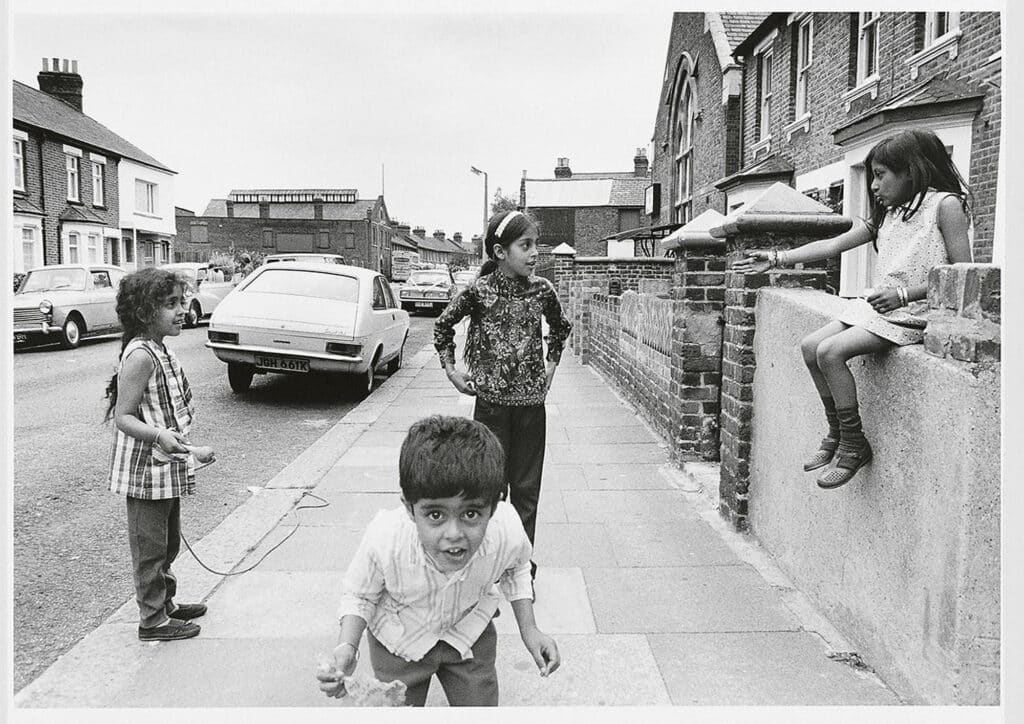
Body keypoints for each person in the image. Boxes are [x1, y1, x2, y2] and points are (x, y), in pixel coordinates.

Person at [732, 129, 972, 489]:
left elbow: (963, 274)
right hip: (880, 309)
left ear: (911, 170)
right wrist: (777, 258)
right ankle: (837, 433)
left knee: (831, 352)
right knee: (810, 346)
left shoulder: (945, 206)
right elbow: (834, 244)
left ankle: (854, 444)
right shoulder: (890, 214)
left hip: (916, 313)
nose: (873, 186)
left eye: (880, 175)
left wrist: (905, 295)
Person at [316, 415, 560, 706]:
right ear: (409, 508)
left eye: (471, 514)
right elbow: (360, 596)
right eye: (435, 515)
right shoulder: (386, 540)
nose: (454, 534)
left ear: (493, 507)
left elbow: (517, 568)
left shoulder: (506, 530)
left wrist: (529, 629)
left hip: (468, 630)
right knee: (397, 707)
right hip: (399, 639)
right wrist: (347, 646)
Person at [433, 209, 571, 580]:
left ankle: (520, 567)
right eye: (525, 246)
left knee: (527, 493)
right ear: (500, 252)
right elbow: (443, 326)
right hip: (491, 410)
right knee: (490, 493)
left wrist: (551, 368)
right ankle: (490, 565)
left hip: (530, 410)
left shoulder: (542, 290)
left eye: (535, 245)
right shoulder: (480, 292)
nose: (534, 254)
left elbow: (560, 329)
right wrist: (452, 372)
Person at [103, 267, 216, 641]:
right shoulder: (141, 356)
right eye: (170, 304)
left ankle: (165, 603)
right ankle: (152, 620)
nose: (181, 310)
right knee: (149, 548)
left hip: (165, 466)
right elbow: (123, 417)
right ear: (144, 312)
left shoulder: (159, 348)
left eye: (181, 302)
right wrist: (158, 436)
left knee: (168, 541)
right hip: (145, 470)